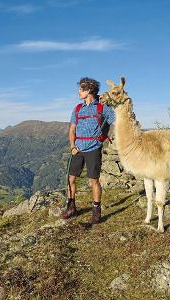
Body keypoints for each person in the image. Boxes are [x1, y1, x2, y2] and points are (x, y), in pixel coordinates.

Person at [61, 77, 115, 224]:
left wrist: (108, 100)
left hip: (94, 148)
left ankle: (96, 211)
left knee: (94, 181)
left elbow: (116, 118)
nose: (79, 92)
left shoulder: (102, 108)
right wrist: (72, 146)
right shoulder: (78, 109)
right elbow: (72, 129)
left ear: (89, 90)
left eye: (81, 89)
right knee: (71, 179)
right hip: (77, 149)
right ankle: (71, 207)